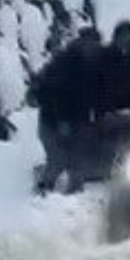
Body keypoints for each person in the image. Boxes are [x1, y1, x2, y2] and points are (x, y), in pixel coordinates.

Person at [32, 26, 104, 195]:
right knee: (57, 158)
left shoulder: (95, 65)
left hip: (79, 119)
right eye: (89, 43)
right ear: (81, 42)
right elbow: (51, 93)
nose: (92, 48)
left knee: (78, 159)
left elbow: (98, 93)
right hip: (52, 119)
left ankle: (75, 192)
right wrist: (60, 120)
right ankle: (43, 189)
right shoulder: (64, 62)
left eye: (95, 45)